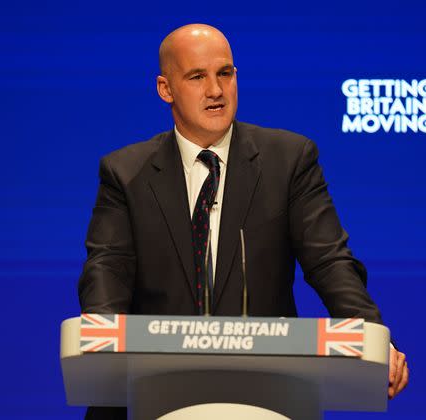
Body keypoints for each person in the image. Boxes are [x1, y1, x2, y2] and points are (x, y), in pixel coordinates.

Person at [78, 23, 408, 420]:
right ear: (166, 89)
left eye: (225, 73)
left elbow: (330, 262)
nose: (216, 90)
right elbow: (107, 269)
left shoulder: (288, 160)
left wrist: (372, 336)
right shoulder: (125, 173)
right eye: (197, 76)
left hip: (269, 394)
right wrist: (102, 340)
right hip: (155, 393)